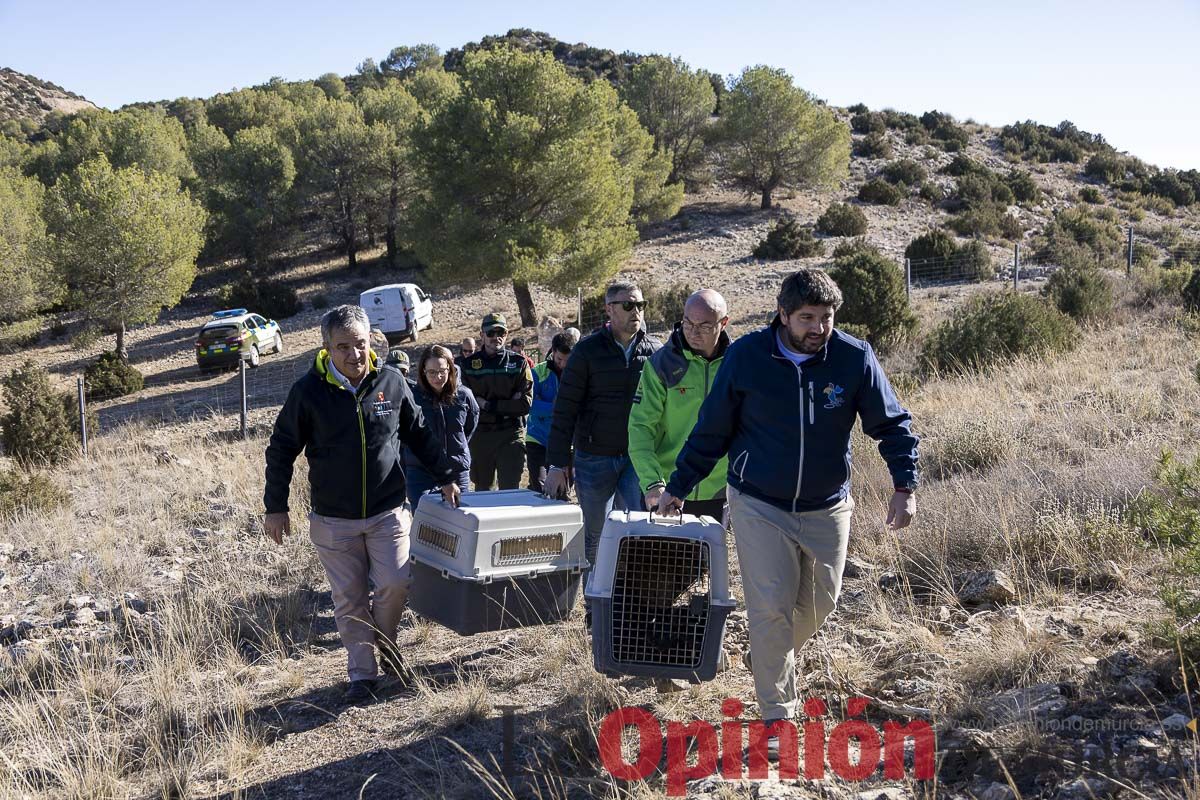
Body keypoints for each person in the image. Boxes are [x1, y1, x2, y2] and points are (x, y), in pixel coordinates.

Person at [656, 269, 919, 748]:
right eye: (807, 318)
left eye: (827, 317)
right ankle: (778, 713)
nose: (819, 328)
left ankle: (768, 654)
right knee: (771, 606)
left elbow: (892, 423)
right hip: (759, 502)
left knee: (823, 602)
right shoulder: (748, 357)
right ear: (783, 315)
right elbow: (712, 427)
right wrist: (680, 485)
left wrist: (905, 484)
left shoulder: (853, 357)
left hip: (827, 504)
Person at [263, 305, 462, 703]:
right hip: (333, 519)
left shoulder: (390, 380)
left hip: (388, 509)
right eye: (342, 347)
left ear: (371, 340)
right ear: (326, 349)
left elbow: (418, 432)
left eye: (359, 344)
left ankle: (385, 644)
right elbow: (282, 449)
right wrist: (276, 506)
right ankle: (362, 673)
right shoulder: (308, 392)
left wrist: (445, 475)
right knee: (349, 598)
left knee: (396, 582)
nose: (353, 354)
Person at [543, 282, 660, 565]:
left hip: (638, 459)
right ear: (609, 309)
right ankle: (595, 604)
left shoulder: (656, 350)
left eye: (641, 305)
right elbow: (565, 410)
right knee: (595, 534)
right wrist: (558, 464)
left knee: (638, 532)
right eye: (629, 305)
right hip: (594, 458)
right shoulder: (586, 352)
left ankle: (627, 603)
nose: (637, 312)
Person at [628, 289, 733, 524]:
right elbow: (640, 428)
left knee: (707, 560)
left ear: (723, 323)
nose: (693, 332)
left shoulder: (737, 364)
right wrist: (652, 482)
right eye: (687, 323)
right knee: (663, 560)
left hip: (719, 491)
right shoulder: (660, 365)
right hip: (668, 489)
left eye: (704, 326)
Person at [456, 313, 533, 491]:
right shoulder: (468, 366)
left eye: (501, 333)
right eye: (490, 333)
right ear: (482, 335)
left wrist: (487, 404)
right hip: (481, 435)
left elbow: (524, 405)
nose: (496, 337)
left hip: (511, 434)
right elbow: (466, 406)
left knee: (510, 490)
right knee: (483, 490)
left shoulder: (518, 363)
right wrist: (507, 403)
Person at [404, 345, 478, 509]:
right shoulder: (412, 398)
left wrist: (455, 447)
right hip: (421, 472)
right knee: (426, 523)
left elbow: (468, 428)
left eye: (442, 371)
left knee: (460, 522)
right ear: (423, 371)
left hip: (456, 469)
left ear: (450, 369)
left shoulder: (464, 395)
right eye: (432, 372)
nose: (438, 377)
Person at [526, 332, 574, 493]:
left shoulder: (578, 374)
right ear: (552, 352)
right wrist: (554, 408)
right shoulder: (538, 372)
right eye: (560, 359)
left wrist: (546, 405)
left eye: (568, 360)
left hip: (566, 440)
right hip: (537, 438)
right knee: (540, 486)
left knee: (562, 490)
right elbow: (530, 405)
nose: (563, 365)